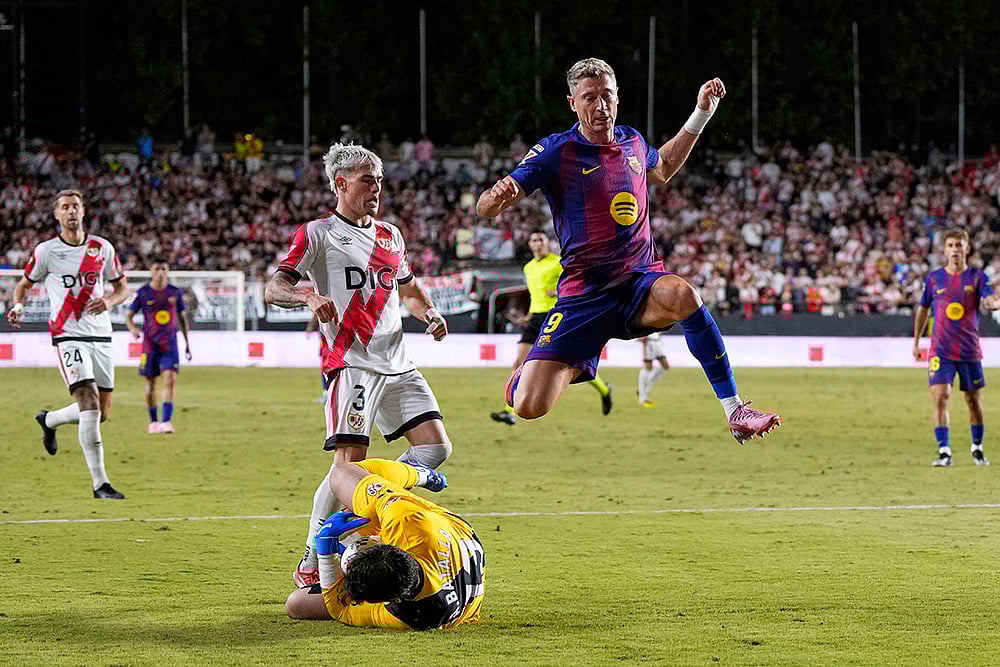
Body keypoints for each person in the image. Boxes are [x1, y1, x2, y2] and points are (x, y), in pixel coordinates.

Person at [476, 57, 780, 443]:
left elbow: (665, 166)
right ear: (573, 103)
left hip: (639, 284)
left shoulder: (632, 142)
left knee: (683, 293)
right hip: (584, 297)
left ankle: (735, 409)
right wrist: (495, 198)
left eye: (607, 96)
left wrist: (703, 112)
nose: (600, 106)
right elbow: (487, 205)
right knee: (529, 406)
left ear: (618, 97)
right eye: (589, 98)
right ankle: (573, 365)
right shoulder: (557, 151)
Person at [264, 143, 454, 588]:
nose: (377, 188)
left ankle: (366, 513)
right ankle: (313, 556)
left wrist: (428, 313)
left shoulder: (391, 234)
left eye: (380, 180)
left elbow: (407, 287)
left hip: (398, 363)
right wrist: (308, 296)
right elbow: (275, 286)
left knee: (436, 449)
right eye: (368, 180)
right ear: (341, 184)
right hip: (351, 364)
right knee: (348, 464)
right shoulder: (317, 233)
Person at [6, 189, 130, 499]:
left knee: (102, 413)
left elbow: (122, 287)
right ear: (57, 215)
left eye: (76, 206)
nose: (71, 211)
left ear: (83, 212)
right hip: (67, 334)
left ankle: (48, 420)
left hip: (101, 334)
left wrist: (110, 301)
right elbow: (23, 286)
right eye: (65, 207)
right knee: (87, 403)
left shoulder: (102, 248)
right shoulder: (46, 251)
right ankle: (101, 484)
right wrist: (18, 306)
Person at [285, 458, 484, 629]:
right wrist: (417, 477)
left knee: (296, 604)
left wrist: (326, 549)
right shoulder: (404, 519)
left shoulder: (409, 616)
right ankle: (420, 472)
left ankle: (345, 556)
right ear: (387, 543)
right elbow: (348, 474)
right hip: (447, 529)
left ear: (388, 600)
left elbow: (339, 609)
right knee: (341, 474)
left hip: (438, 564)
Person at [490, 229, 612, 425]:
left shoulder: (558, 263)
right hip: (535, 318)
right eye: (533, 240)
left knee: (570, 365)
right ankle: (509, 411)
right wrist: (528, 316)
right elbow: (534, 295)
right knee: (519, 362)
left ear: (547, 243)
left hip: (556, 316)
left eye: (541, 240)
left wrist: (556, 291)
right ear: (529, 244)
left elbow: (577, 285)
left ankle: (604, 389)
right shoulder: (528, 268)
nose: (537, 243)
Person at [912, 228, 1000, 467]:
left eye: (959, 245)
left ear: (967, 249)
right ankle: (944, 451)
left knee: (973, 400)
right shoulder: (933, 279)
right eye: (950, 245)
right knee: (941, 396)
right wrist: (917, 341)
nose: (954, 250)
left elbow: (990, 297)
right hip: (940, 350)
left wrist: (993, 303)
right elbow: (923, 309)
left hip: (969, 351)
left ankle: (977, 448)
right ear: (944, 250)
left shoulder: (977, 277)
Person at [125, 257, 192, 434]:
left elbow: (182, 319)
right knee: (151, 384)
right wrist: (132, 329)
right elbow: (128, 316)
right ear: (151, 272)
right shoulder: (143, 293)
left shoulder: (175, 293)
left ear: (168, 271)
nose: (160, 272)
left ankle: (166, 421)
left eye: (164, 268)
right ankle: (153, 422)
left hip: (170, 344)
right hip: (149, 345)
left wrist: (187, 343)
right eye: (157, 269)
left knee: (170, 380)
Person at [637, 333, 670, 408]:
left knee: (665, 366)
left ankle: (645, 388)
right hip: (648, 341)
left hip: (656, 341)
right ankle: (642, 397)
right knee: (648, 367)